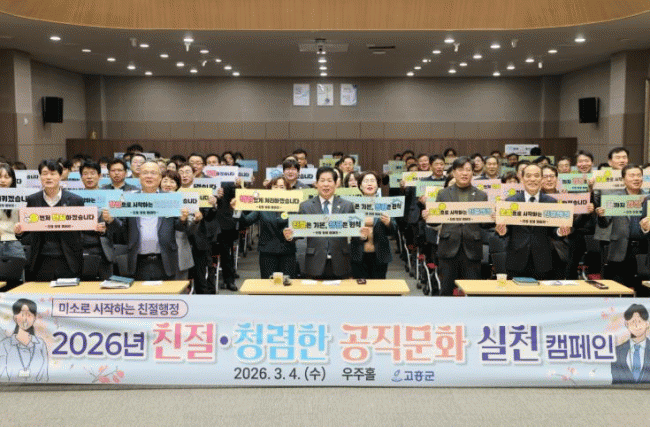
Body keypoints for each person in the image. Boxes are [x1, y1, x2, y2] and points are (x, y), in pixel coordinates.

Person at [105, 161, 189, 280]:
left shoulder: (170, 198)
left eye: (153, 173)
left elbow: (179, 227)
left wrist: (183, 219)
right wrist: (111, 220)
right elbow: (122, 229)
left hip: (165, 260)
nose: (149, 176)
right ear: (139, 177)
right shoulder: (129, 198)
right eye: (145, 173)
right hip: (137, 261)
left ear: (160, 178)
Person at [423, 157, 488, 295]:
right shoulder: (443, 193)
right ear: (453, 172)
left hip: (472, 249)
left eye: (468, 170)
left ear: (472, 173)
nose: (464, 173)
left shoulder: (481, 195)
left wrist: (493, 217)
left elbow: (484, 224)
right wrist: (428, 217)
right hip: (448, 247)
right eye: (460, 170)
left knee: (473, 292)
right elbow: (435, 222)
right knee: (446, 291)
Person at [495, 163, 571, 279]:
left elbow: (554, 231)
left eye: (536, 176)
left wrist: (560, 232)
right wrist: (503, 230)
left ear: (541, 179)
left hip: (543, 260)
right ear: (522, 178)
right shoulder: (510, 201)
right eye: (528, 176)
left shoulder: (551, 202)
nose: (532, 179)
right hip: (516, 259)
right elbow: (507, 230)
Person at [15, 160, 85, 281]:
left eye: (53, 174)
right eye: (45, 173)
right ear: (40, 176)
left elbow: (83, 228)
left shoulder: (75, 200)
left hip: (68, 259)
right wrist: (19, 231)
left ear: (60, 176)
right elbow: (27, 229)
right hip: (41, 259)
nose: (48, 177)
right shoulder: (33, 200)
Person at [284, 166, 355, 279]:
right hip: (314, 261)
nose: (326, 184)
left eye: (329, 181)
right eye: (322, 180)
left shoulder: (347, 205)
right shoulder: (306, 206)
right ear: (316, 184)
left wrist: (363, 235)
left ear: (336, 184)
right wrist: (290, 235)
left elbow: (354, 233)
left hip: (341, 261)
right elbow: (299, 231)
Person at [598, 165, 647, 292]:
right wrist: (601, 216)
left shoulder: (648, 198)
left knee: (642, 289)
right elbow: (604, 223)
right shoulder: (614, 198)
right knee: (618, 289)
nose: (636, 178)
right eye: (632, 175)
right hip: (620, 248)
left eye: (639, 175)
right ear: (623, 179)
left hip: (644, 248)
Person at [236, 177, 297, 279]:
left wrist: (292, 236)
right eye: (275, 186)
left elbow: (300, 228)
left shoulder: (294, 205)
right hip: (267, 253)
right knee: (267, 284)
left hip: (287, 252)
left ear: (287, 189)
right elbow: (246, 221)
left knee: (288, 284)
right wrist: (237, 209)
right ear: (270, 189)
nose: (278, 189)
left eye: (282, 187)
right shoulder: (262, 205)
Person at [351, 171, 395, 279]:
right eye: (366, 181)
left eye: (372, 181)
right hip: (358, 254)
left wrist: (388, 223)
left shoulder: (386, 204)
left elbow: (394, 230)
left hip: (380, 254)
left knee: (378, 286)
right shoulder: (352, 205)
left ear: (377, 185)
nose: (369, 184)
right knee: (360, 286)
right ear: (360, 185)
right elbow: (346, 229)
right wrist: (358, 233)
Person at [79, 161, 114, 280]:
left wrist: (107, 226)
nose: (89, 177)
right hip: (80, 249)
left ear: (99, 176)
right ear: (81, 177)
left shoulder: (110, 197)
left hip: (104, 250)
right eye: (85, 174)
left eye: (93, 173)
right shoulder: (74, 198)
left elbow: (120, 226)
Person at [0, 298, 48, 382]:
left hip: (38, 388)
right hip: (11, 388)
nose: (25, 319)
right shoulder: (5, 344)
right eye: (22, 314)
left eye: (29, 315)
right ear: (15, 317)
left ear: (34, 318)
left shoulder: (40, 344)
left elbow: (44, 374)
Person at [160, 170, 196, 281]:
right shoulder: (153, 200)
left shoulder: (186, 199)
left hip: (179, 250)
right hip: (158, 253)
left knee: (180, 285)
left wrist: (186, 219)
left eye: (172, 182)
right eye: (165, 181)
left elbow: (190, 229)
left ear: (177, 185)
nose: (168, 184)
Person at [0, 163, 27, 289]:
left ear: (13, 179)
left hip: (13, 242)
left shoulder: (20, 197)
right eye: (0, 177)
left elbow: (26, 223)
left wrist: (20, 229)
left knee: (16, 284)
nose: (2, 180)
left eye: (6, 177)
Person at [611, 304, 650, 384]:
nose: (636, 325)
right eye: (633, 322)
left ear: (647, 324)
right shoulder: (617, 352)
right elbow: (615, 381)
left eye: (640, 321)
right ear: (626, 324)